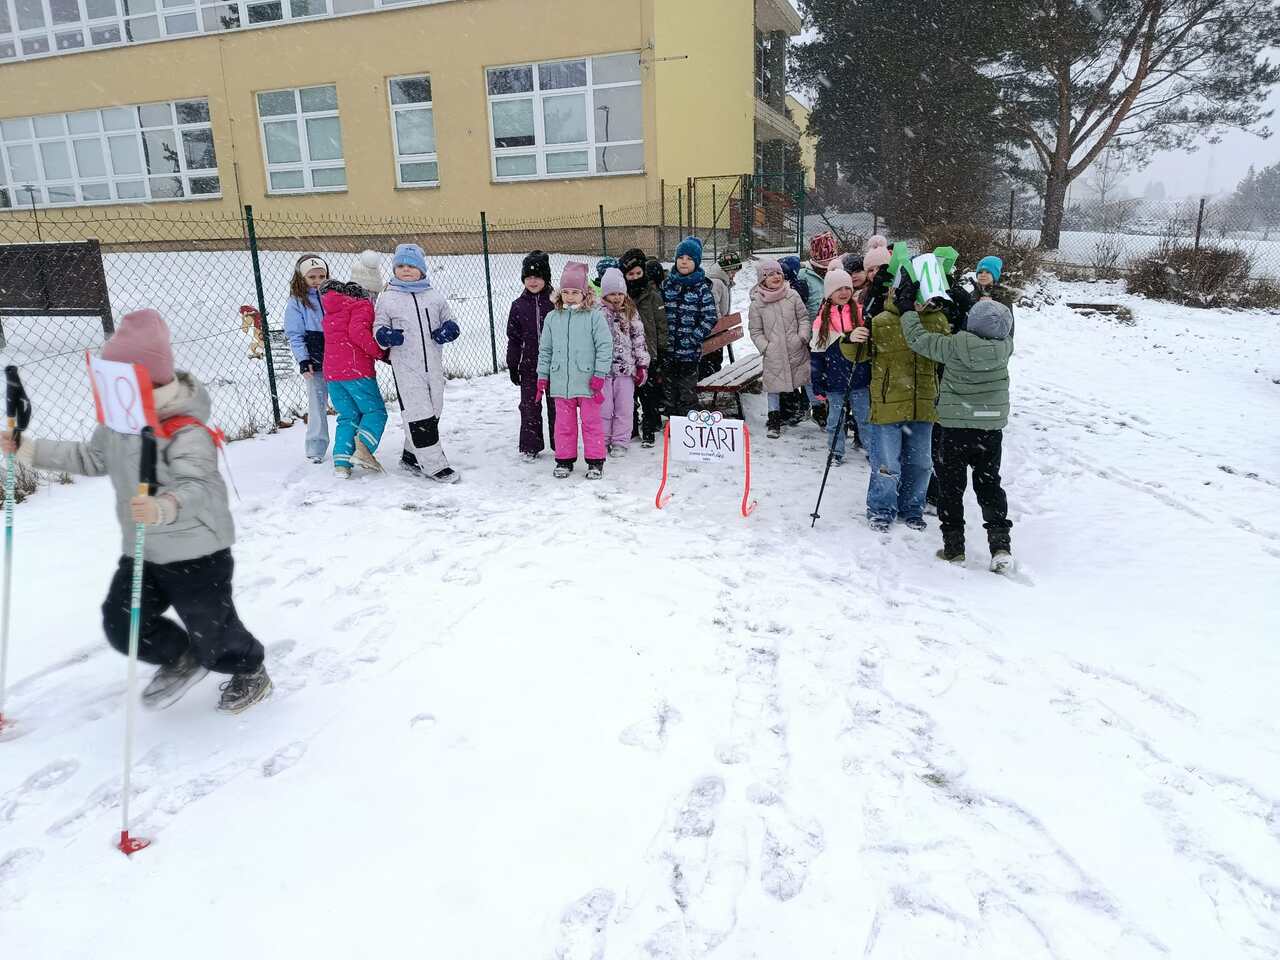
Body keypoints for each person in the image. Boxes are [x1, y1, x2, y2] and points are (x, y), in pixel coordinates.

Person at [2, 309, 271, 713]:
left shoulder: (185, 430)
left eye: (120, 376)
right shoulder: (118, 424)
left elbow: (198, 486)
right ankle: (181, 657)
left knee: (214, 632)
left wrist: (164, 506)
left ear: (147, 378)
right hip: (144, 549)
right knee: (123, 621)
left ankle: (249, 670)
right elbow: (91, 457)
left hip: (197, 551)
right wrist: (29, 449)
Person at [900, 297, 1015, 572]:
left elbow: (918, 339)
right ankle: (1000, 546)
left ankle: (954, 548)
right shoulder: (1006, 347)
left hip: (954, 428)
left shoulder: (953, 346)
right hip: (989, 429)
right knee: (989, 485)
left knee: (950, 487)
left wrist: (907, 311)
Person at [864, 270, 950, 532]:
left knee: (921, 464)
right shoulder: (882, 320)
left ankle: (912, 507)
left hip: (923, 404)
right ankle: (881, 508)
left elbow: (946, 356)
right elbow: (859, 354)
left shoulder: (938, 321)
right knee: (887, 464)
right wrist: (852, 338)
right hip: (888, 404)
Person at [373, 243, 460, 484]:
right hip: (406, 366)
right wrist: (385, 336)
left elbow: (450, 319)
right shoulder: (388, 298)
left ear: (421, 269)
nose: (406, 270)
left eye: (411, 266)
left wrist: (449, 329)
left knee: (434, 409)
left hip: (433, 364)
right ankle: (435, 465)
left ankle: (411, 456)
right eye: (400, 266)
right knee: (419, 413)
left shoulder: (433, 296)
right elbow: (378, 327)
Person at [535, 262, 612, 479]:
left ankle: (595, 461)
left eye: (575, 292)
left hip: (588, 383)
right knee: (563, 425)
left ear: (584, 293)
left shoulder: (594, 317)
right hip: (561, 382)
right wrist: (542, 376)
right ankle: (564, 460)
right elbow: (546, 350)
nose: (570, 297)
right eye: (566, 292)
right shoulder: (552, 318)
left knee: (591, 424)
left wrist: (599, 374)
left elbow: (605, 346)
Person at [322, 279, 387, 478]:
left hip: (332, 374)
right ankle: (364, 449)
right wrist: (381, 353)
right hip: (356, 371)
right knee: (375, 411)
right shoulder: (360, 306)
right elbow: (358, 333)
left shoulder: (331, 312)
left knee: (348, 416)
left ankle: (341, 463)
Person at [747, 259, 810, 439]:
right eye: (770, 274)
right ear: (762, 279)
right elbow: (755, 330)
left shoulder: (792, 296)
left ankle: (819, 411)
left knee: (806, 378)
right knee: (773, 387)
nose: (776, 277)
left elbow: (803, 318)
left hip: (796, 348)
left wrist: (802, 337)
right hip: (773, 352)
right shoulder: (757, 303)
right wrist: (765, 347)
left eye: (778, 273)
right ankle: (774, 419)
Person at [506, 251, 556, 462]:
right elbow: (514, 339)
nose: (533, 281)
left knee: (557, 406)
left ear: (546, 278)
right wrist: (513, 364)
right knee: (529, 406)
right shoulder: (518, 305)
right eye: (528, 277)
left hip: (555, 366)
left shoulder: (556, 303)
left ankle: (561, 443)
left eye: (537, 277)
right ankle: (530, 445)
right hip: (529, 366)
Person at [661, 236, 718, 415]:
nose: (684, 262)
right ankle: (672, 419)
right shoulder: (667, 285)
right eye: (680, 258)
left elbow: (710, 316)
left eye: (689, 259)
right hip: (668, 350)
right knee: (669, 390)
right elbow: (659, 313)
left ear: (697, 262)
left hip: (689, 353)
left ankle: (687, 419)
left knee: (686, 390)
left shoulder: (701, 288)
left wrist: (694, 337)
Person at [282, 254, 330, 464]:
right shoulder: (297, 302)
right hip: (314, 359)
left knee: (347, 404)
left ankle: (354, 444)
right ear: (302, 278)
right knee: (317, 404)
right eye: (312, 277)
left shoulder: (332, 295)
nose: (317, 281)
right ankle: (316, 447)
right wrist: (303, 360)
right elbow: (295, 334)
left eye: (321, 276)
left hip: (338, 357)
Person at [598, 267, 650, 457]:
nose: (617, 297)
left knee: (624, 408)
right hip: (603, 371)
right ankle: (602, 440)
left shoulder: (630, 312)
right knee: (604, 409)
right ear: (605, 294)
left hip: (626, 370)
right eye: (612, 293)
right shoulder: (597, 313)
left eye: (620, 293)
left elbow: (639, 339)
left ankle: (620, 441)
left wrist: (642, 365)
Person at [810, 267, 859, 464]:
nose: (844, 292)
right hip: (834, 379)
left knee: (865, 419)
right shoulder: (821, 321)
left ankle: (873, 452)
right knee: (835, 420)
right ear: (829, 293)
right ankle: (836, 451)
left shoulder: (859, 313)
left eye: (848, 287)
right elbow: (816, 355)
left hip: (859, 378)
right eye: (839, 289)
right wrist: (818, 382)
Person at [620, 248, 667, 447]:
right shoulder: (621, 297)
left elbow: (661, 325)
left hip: (649, 353)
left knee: (649, 394)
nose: (635, 277)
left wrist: (661, 351)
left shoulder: (653, 296)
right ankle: (630, 428)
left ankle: (649, 426)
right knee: (628, 395)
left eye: (638, 273)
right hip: (626, 355)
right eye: (630, 274)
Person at [701, 249, 742, 377]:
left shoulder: (723, 282)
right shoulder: (716, 283)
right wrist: (719, 325)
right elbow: (713, 306)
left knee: (715, 360)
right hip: (714, 330)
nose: (734, 275)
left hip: (718, 330)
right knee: (711, 361)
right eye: (733, 271)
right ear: (726, 270)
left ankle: (712, 375)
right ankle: (709, 379)